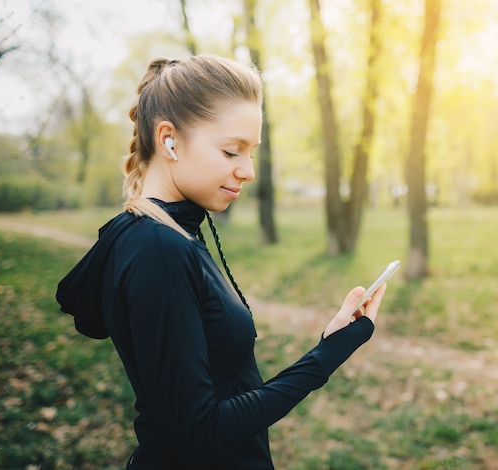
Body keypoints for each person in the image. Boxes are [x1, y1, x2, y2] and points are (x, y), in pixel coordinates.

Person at [56, 54, 387, 469]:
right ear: (169, 140)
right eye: (232, 151)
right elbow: (202, 431)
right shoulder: (158, 249)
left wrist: (332, 341)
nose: (247, 170)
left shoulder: (172, 233)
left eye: (251, 153)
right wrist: (325, 358)